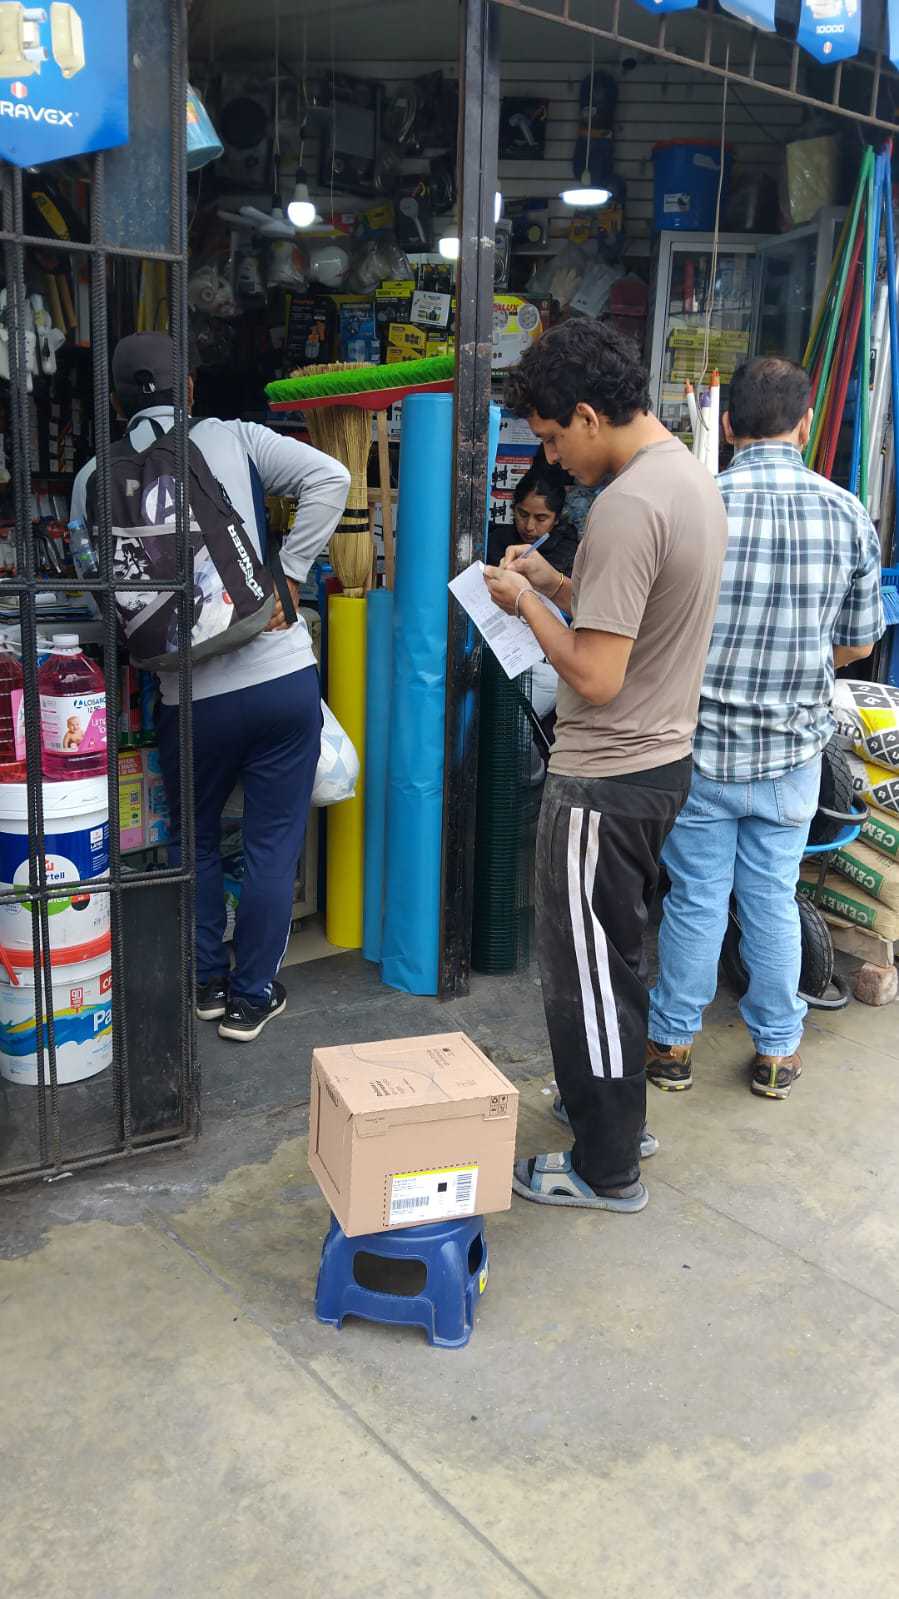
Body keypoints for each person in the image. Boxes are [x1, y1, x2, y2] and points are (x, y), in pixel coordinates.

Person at [484, 318, 727, 1213]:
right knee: (614, 959)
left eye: (554, 437)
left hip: (606, 775)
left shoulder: (626, 505)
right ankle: (612, 1115)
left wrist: (522, 601)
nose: (553, 458)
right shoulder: (685, 478)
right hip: (659, 762)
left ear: (589, 414)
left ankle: (605, 1164)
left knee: (585, 972)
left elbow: (592, 672)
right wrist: (555, 585)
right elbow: (634, 612)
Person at [71, 332, 350, 1043]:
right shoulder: (235, 437)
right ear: (189, 386)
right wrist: (289, 575)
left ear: (116, 401)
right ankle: (251, 998)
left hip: (187, 701)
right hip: (277, 675)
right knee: (271, 843)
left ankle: (203, 984)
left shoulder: (93, 477)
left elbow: (95, 582)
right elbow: (332, 478)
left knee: (192, 842)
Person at [648, 357, 884, 1099]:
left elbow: (653, 633)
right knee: (771, 900)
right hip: (791, 754)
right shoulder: (847, 512)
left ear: (726, 424)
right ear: (805, 424)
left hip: (701, 748)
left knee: (695, 898)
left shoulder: (696, 504)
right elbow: (857, 644)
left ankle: (671, 1045)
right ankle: (777, 1051)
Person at [509, 465, 580, 577]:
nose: (529, 526)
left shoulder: (570, 555)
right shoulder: (495, 543)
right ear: (513, 508)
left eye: (541, 519)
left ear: (556, 519)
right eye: (523, 515)